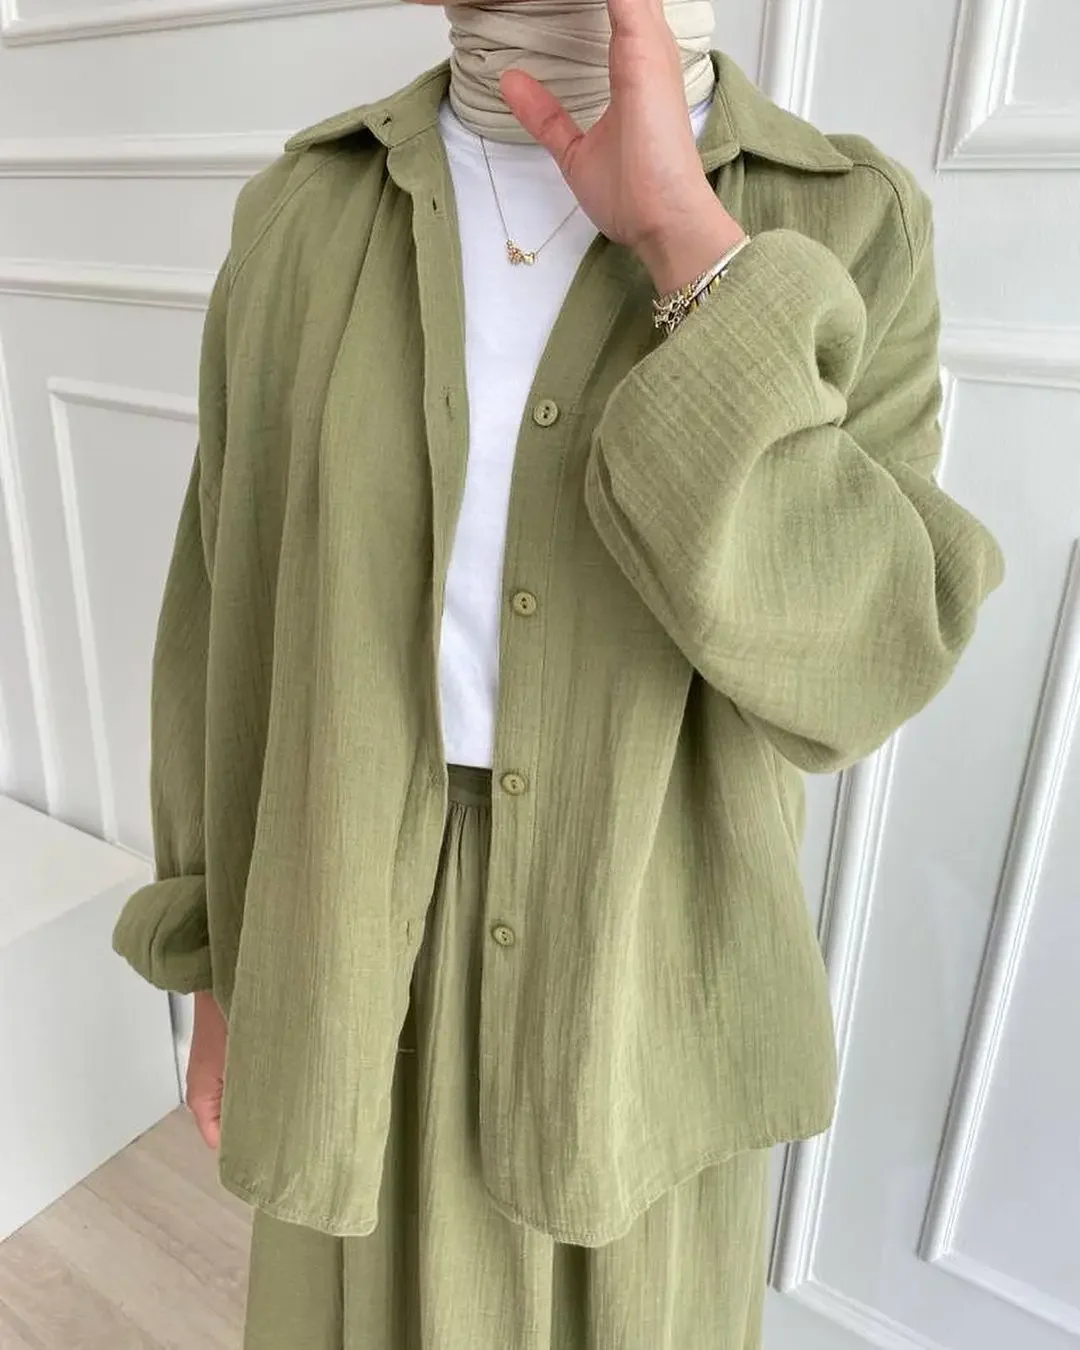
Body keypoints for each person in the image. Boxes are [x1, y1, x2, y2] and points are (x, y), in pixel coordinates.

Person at [111, 0, 1006, 1345]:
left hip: (646, 968)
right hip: (337, 927)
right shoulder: (304, 214)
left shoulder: (842, 221)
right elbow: (222, 621)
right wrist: (219, 964)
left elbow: (858, 665)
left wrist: (690, 247)